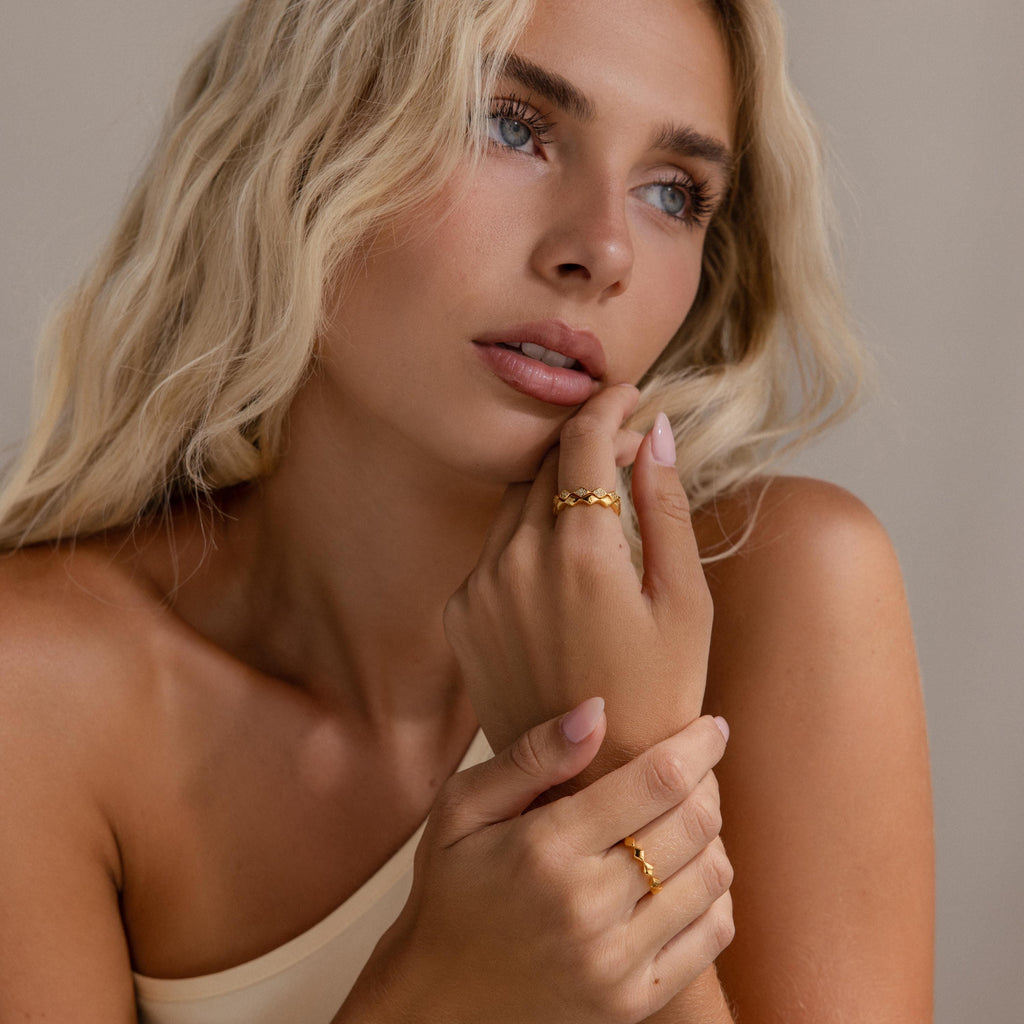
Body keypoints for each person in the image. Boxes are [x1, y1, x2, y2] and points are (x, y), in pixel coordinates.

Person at [0, 0, 934, 1020]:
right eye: (509, 125)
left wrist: (621, 770)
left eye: (673, 192)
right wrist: (441, 986)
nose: (603, 250)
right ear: (303, 136)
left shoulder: (788, 591)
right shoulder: (35, 691)